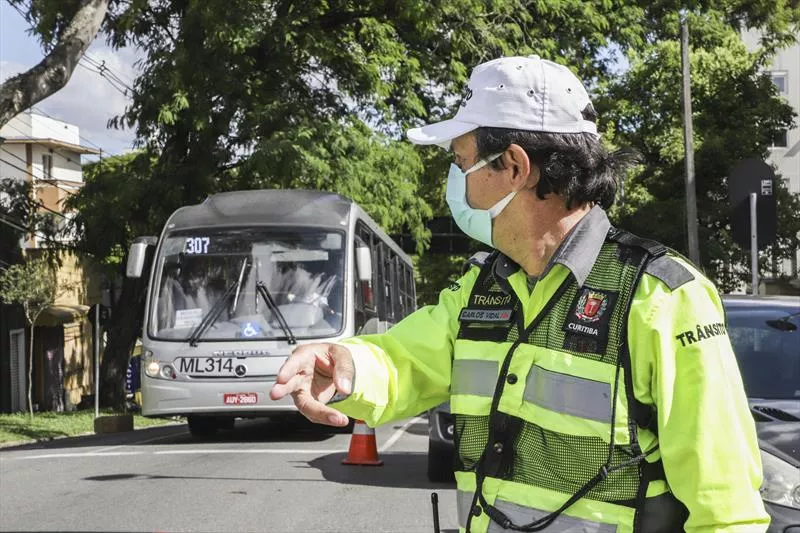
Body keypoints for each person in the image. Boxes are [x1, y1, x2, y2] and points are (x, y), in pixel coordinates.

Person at [270, 55, 768, 532]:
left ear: (513, 166)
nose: (457, 185)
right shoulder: (482, 287)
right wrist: (344, 366)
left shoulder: (662, 298)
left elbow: (725, 507)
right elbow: (405, 360)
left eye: (461, 162)